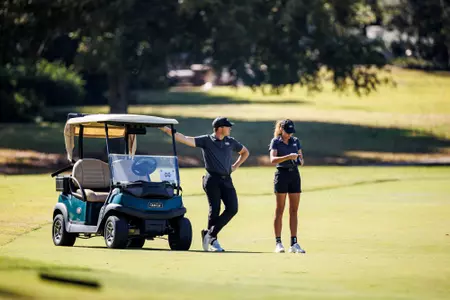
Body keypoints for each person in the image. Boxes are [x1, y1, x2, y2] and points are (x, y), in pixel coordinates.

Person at [160, 117, 249, 252]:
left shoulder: (230, 142)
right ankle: (213, 240)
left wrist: (235, 166)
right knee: (215, 209)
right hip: (212, 179)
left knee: (232, 208)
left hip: (227, 179)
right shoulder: (206, 140)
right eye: (228, 126)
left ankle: (209, 234)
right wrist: (166, 129)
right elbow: (184, 138)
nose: (230, 128)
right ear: (220, 128)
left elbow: (245, 152)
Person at [269, 119, 306, 253]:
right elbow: (272, 159)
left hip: (294, 175)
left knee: (294, 210)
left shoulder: (295, 141)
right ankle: (278, 243)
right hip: (282, 175)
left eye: (291, 132)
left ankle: (294, 243)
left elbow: (301, 159)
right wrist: (287, 157)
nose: (289, 135)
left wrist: (299, 159)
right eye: (287, 132)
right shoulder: (276, 141)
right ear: (281, 130)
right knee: (280, 209)